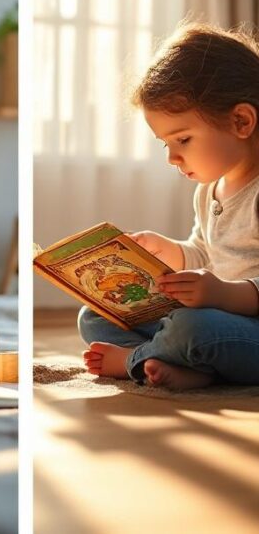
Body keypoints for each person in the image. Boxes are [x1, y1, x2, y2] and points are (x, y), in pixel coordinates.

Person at [82, 23, 259, 389]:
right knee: (96, 317)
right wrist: (170, 252)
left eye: (183, 139)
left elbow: (219, 289)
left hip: (242, 329)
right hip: (217, 317)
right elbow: (204, 252)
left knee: (194, 328)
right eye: (166, 144)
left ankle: (137, 359)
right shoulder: (210, 190)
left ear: (241, 121)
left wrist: (225, 294)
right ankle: (191, 364)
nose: (173, 157)